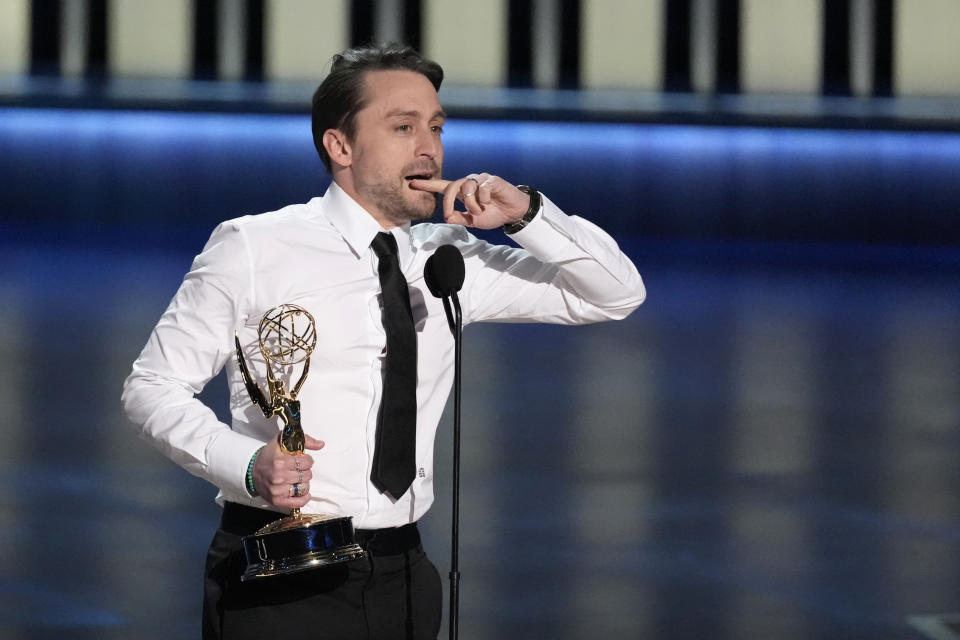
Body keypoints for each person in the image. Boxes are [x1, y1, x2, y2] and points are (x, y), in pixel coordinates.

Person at [122, 43, 646, 640]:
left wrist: (526, 213)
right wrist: (244, 464)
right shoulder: (253, 247)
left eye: (436, 127)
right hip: (280, 575)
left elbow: (613, 293)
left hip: (406, 574)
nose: (428, 147)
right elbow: (152, 388)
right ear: (339, 147)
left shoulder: (449, 258)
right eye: (402, 127)